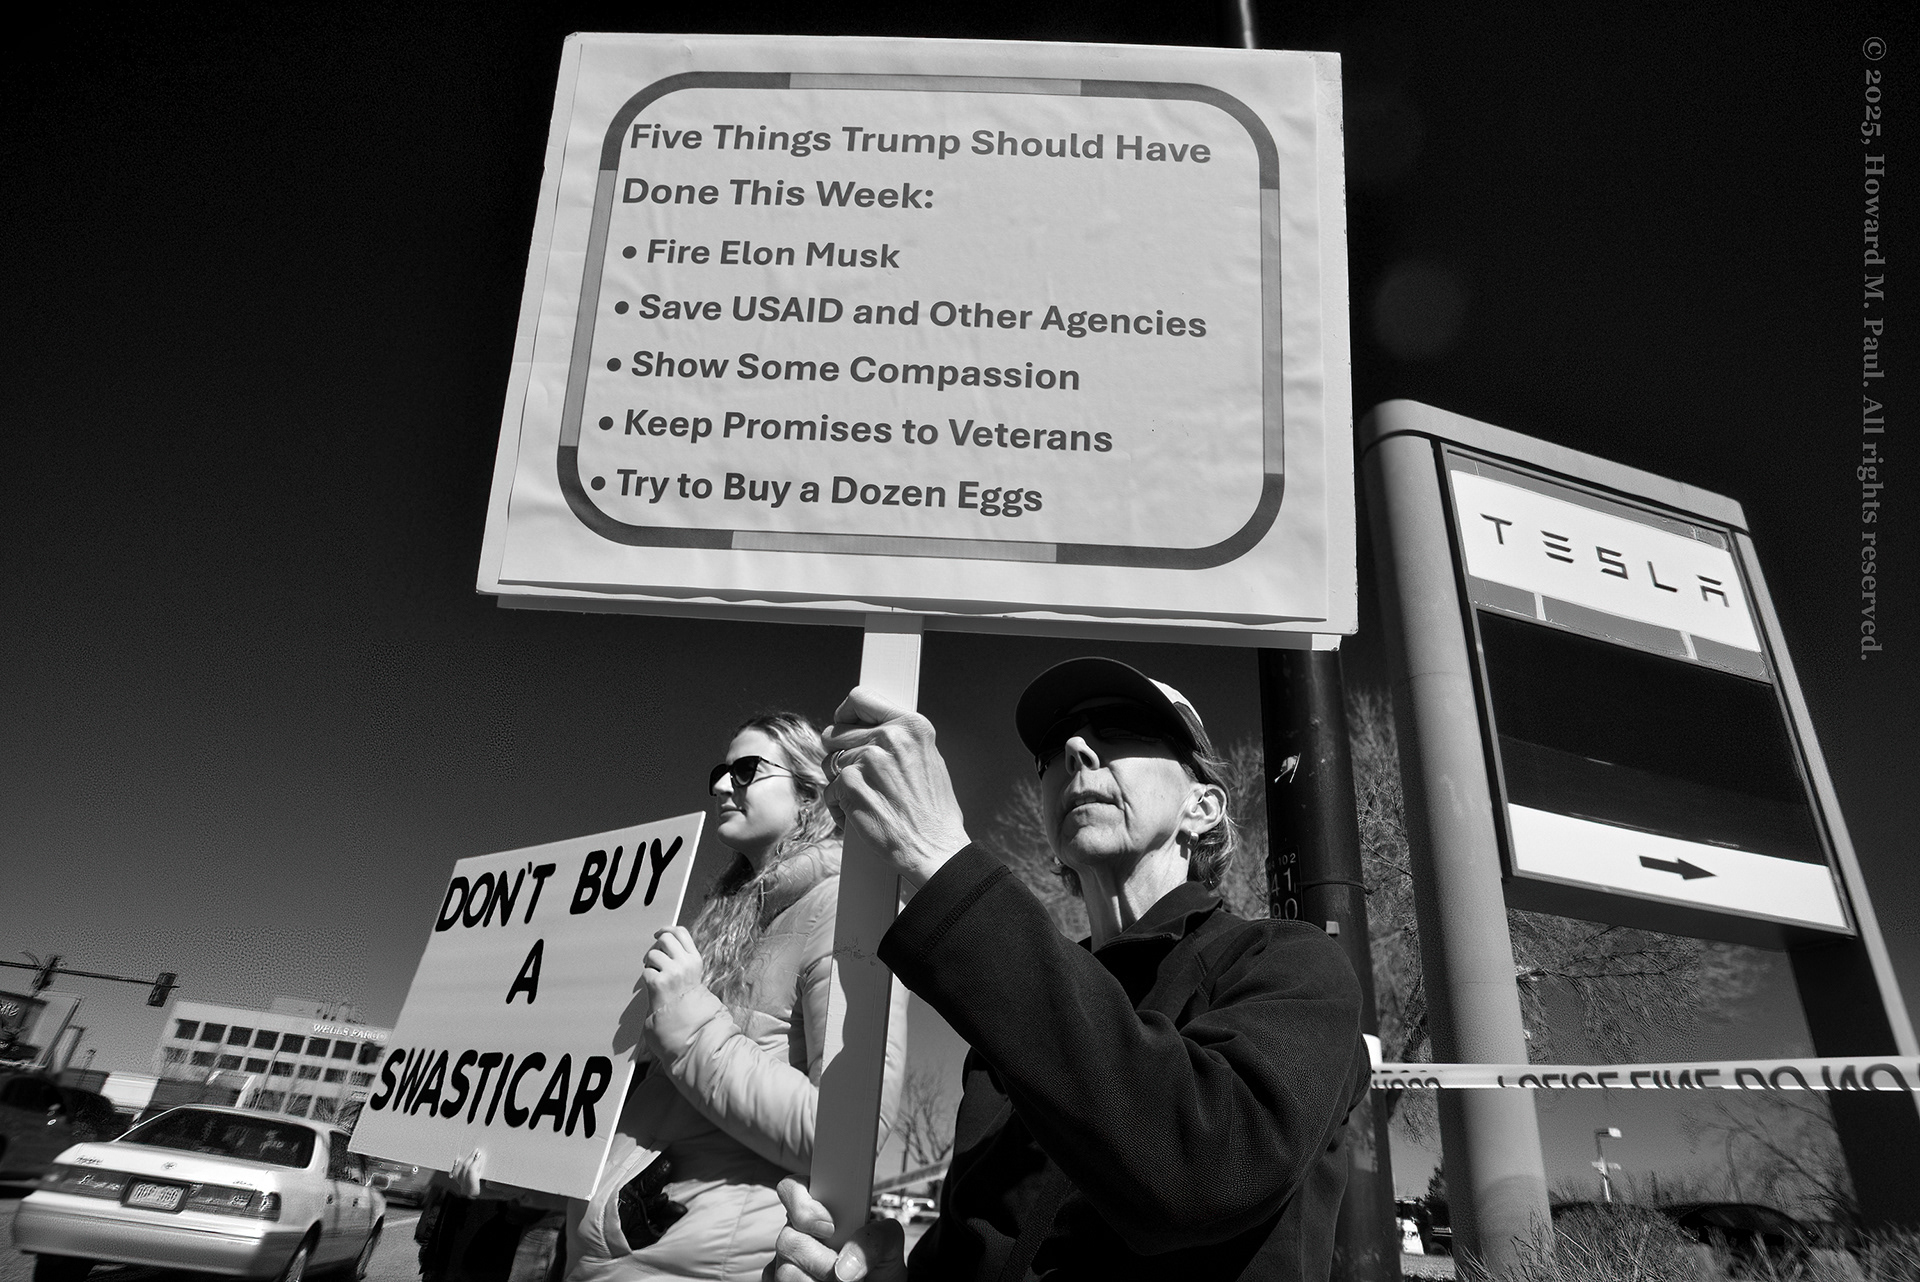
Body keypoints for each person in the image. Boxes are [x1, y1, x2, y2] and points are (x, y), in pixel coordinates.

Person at [767, 659, 1370, 1281]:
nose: (1077, 749)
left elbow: (1203, 1171)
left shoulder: (1289, 964)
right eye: (1054, 749)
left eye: (1121, 727)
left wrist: (941, 862)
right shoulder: (1004, 1026)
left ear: (1203, 806)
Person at [431, 711, 907, 1282]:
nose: (722, 786)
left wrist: (685, 1015)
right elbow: (642, 1126)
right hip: (607, 1257)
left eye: (746, 770)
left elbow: (844, 1135)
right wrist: (512, 1167)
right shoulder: (710, 929)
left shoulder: (847, 910)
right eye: (718, 773)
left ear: (808, 791)